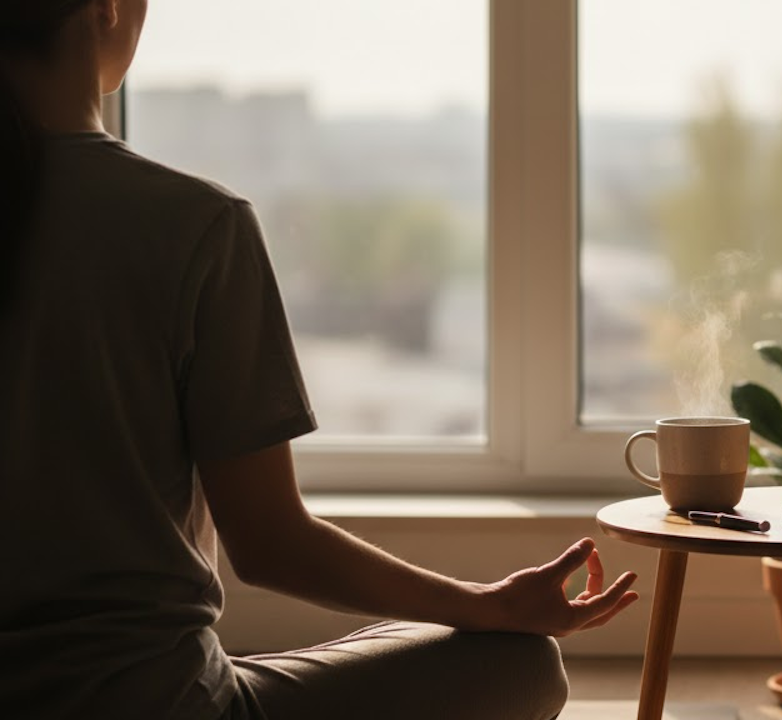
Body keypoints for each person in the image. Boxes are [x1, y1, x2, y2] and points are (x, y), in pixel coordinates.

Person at [0, 1, 640, 718]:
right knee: (523, 664)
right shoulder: (196, 226)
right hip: (162, 703)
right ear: (106, 7)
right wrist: (482, 604)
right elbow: (271, 544)